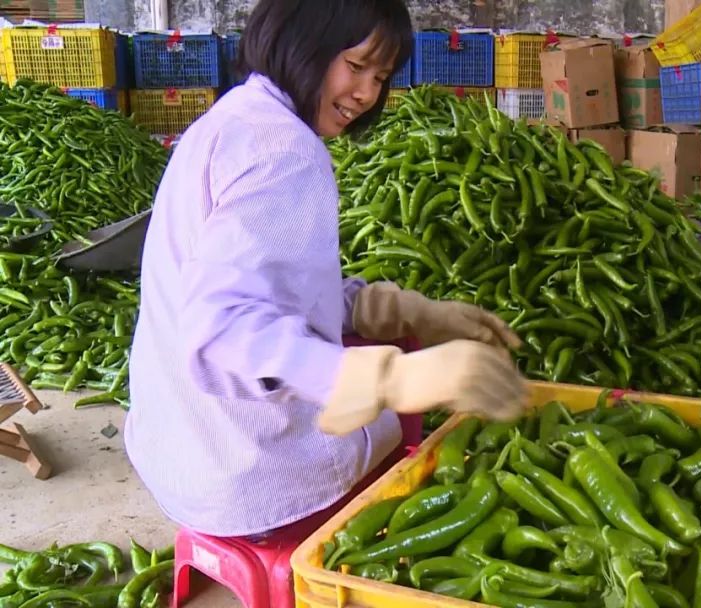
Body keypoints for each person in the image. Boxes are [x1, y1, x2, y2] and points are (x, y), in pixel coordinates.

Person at [124, 0, 529, 538]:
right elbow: (223, 331)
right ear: (302, 43)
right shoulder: (285, 150)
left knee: (382, 360)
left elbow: (267, 288)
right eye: (355, 66)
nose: (366, 94)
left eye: (380, 77)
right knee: (408, 431)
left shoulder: (231, 120)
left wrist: (394, 310)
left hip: (176, 450)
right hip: (243, 477)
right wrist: (390, 378)